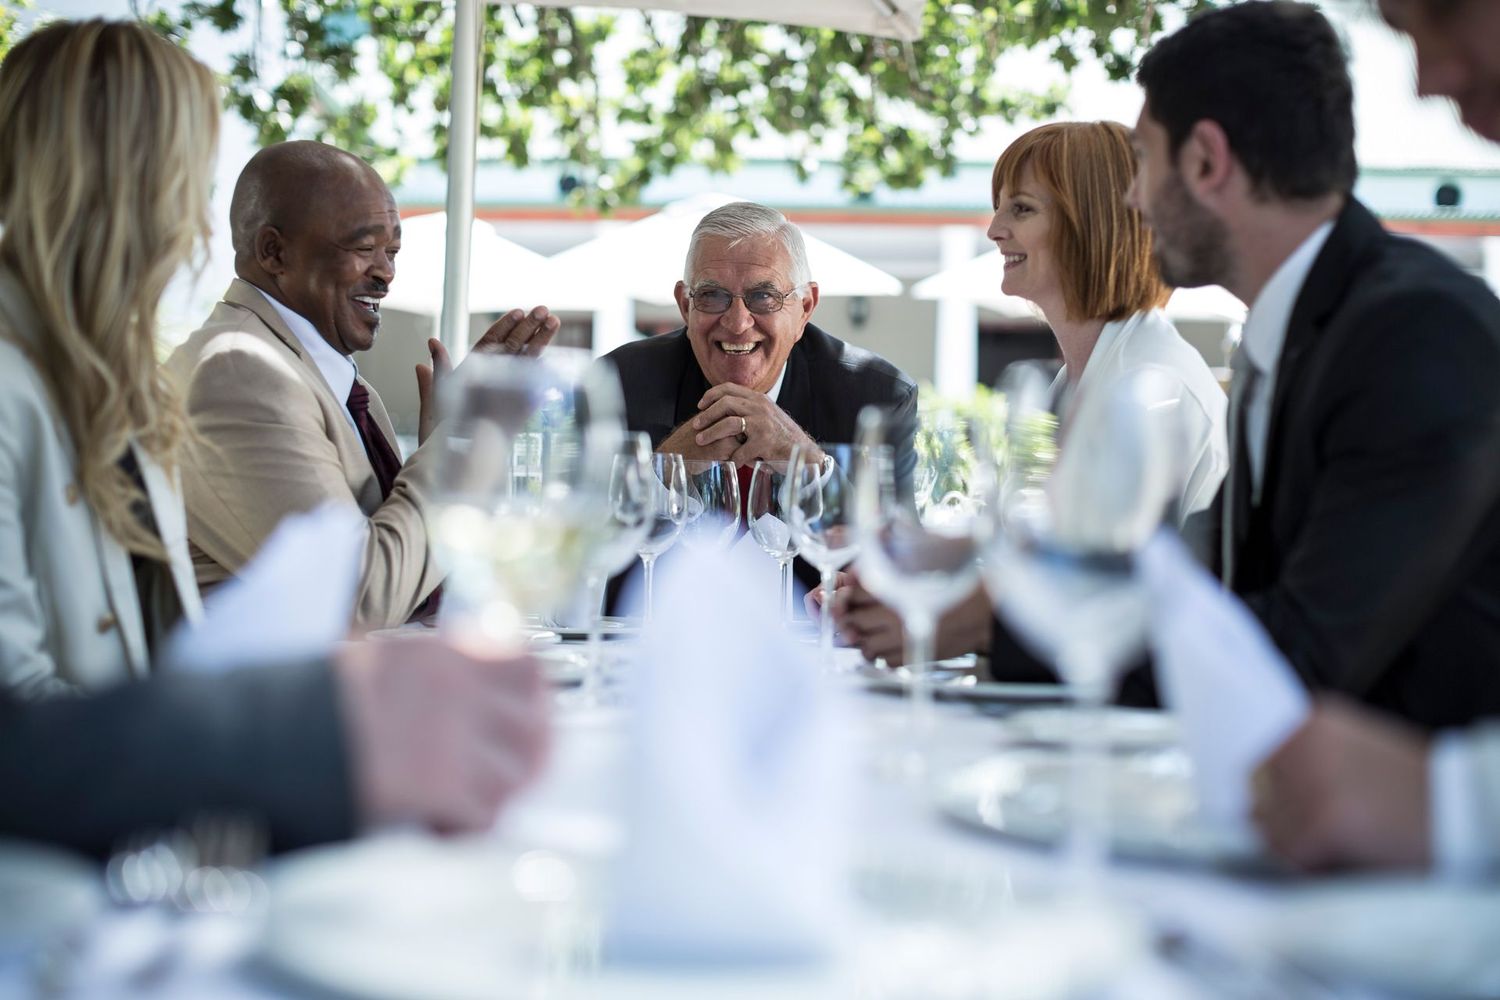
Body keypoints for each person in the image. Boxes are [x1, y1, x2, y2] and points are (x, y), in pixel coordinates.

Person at [1128, 0, 1500, 730]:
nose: (1131, 197)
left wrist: (1023, 631)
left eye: (1141, 159)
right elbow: (1209, 571)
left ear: (1206, 162)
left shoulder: (1414, 333)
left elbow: (1298, 656)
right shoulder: (1297, 334)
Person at [1246, 0, 1500, 874]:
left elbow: (1307, 645)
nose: (1430, 82)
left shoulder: (1413, 324)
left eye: (1447, 13)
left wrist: (1458, 800)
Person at [824, 122, 1228, 669]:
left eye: (1021, 209)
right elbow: (1048, 556)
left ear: (1093, 224)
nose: (994, 229)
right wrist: (917, 563)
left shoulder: (1151, 388)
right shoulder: (1084, 378)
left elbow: (1101, 596)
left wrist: (939, 609)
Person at [165, 141, 560, 629]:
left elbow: (411, 578)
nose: (386, 273)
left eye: (392, 252)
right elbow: (359, 599)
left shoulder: (337, 383)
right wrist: (461, 442)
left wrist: (438, 446)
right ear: (274, 252)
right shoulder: (238, 371)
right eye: (363, 248)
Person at [0, 19, 212, 697]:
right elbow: (16, 704)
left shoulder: (122, 374)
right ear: (127, 184)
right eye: (189, 182)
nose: (200, 223)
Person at [599, 201, 918, 485]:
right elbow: (583, 522)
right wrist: (660, 472)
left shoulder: (878, 398)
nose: (737, 323)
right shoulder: (615, 385)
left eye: (764, 296)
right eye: (712, 295)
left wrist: (810, 466)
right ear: (685, 306)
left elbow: (894, 532)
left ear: (805, 308)